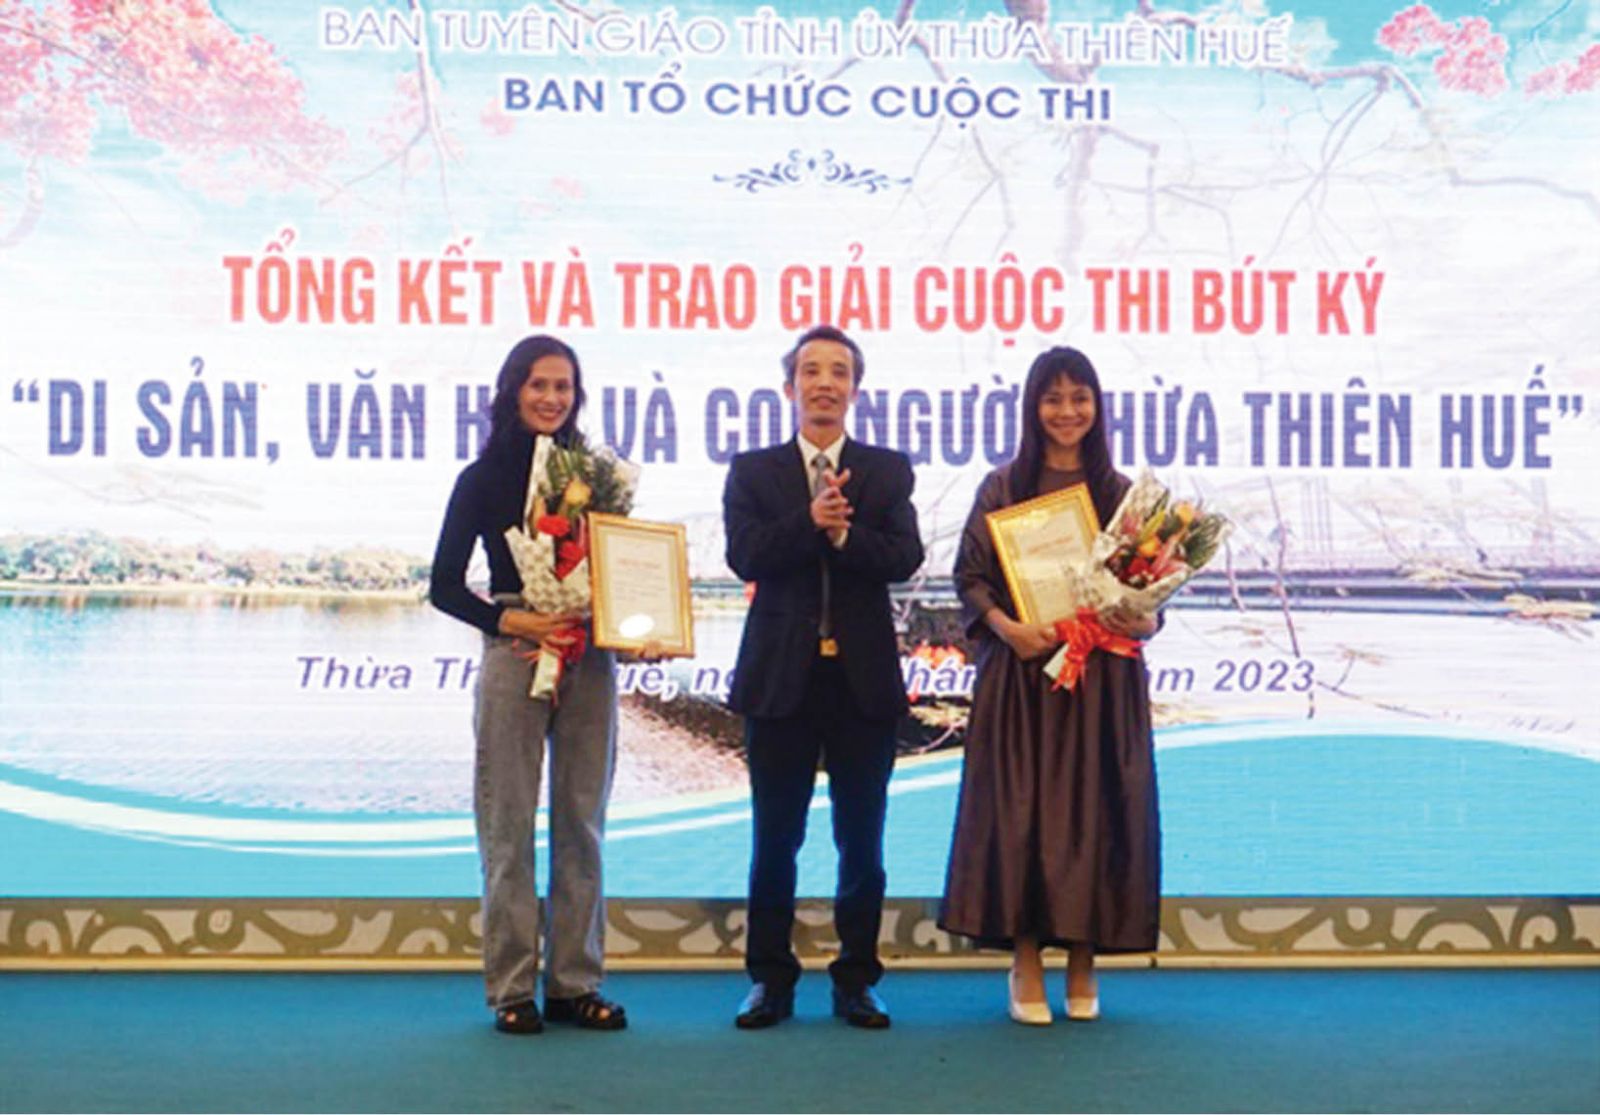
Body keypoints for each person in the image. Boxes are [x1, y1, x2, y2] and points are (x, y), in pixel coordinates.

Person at [939, 346, 1161, 1025]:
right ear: (1032, 407)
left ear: (1097, 405)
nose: (1067, 411)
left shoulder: (1123, 496)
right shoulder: (1002, 487)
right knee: (1022, 815)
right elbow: (970, 577)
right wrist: (1009, 629)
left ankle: (1085, 959)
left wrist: (1143, 616)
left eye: (1079, 397)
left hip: (1103, 680)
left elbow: (1150, 592)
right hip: (1024, 676)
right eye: (1053, 398)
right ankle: (1026, 958)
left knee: (1098, 811)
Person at [722, 325, 924, 1030]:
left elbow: (904, 556)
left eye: (839, 372)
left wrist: (845, 536)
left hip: (862, 684)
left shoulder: (887, 470)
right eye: (812, 371)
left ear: (855, 391)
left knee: (861, 841)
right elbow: (745, 554)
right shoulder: (754, 472)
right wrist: (810, 522)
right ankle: (769, 980)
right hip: (781, 681)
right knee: (775, 840)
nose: (825, 384)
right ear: (790, 387)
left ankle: (857, 979)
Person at [429, 334, 627, 1035]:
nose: (551, 397)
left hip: (588, 657)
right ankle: (512, 988)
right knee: (507, 824)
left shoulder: (594, 481)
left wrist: (634, 626)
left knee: (583, 825)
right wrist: (514, 619)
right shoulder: (481, 478)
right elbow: (444, 586)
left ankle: (576, 983)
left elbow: (621, 571)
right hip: (514, 653)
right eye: (538, 384)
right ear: (513, 390)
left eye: (563, 386)